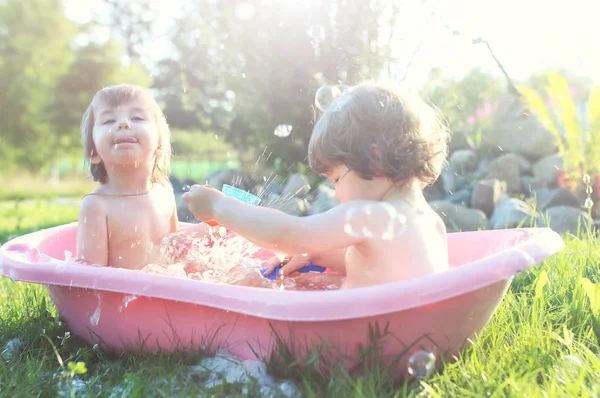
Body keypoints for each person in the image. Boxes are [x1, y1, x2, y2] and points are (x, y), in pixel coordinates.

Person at [182, 83, 450, 289]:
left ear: (375, 158)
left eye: (336, 179)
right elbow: (378, 265)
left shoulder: (369, 215)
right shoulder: (430, 221)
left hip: (364, 339)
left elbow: (287, 233)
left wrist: (218, 206)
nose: (336, 193)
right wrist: (317, 255)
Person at [76, 84, 191, 270]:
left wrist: (211, 228)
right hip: (123, 299)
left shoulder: (164, 192)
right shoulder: (96, 206)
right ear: (93, 150)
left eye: (136, 117)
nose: (123, 124)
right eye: (108, 121)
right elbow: (91, 280)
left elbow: (176, 251)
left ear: (159, 144)